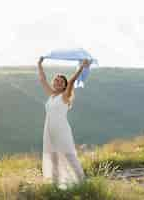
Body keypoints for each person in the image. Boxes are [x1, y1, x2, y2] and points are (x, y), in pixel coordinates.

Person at [37, 56, 88, 189]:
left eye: (61, 82)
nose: (57, 83)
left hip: (61, 130)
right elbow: (42, 80)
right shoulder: (51, 95)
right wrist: (39, 65)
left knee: (69, 155)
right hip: (49, 130)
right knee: (53, 157)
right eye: (56, 80)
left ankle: (82, 182)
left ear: (64, 85)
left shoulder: (65, 96)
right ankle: (56, 184)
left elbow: (71, 82)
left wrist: (81, 67)